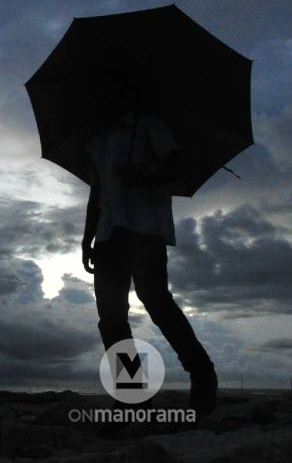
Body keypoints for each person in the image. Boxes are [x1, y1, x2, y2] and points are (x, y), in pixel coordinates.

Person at [82, 112, 217, 413]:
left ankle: (202, 373)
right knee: (111, 317)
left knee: (156, 302)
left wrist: (144, 175)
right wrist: (87, 237)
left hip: (145, 228)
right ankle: (133, 394)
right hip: (108, 234)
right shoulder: (94, 141)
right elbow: (97, 191)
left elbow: (177, 165)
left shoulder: (149, 124)